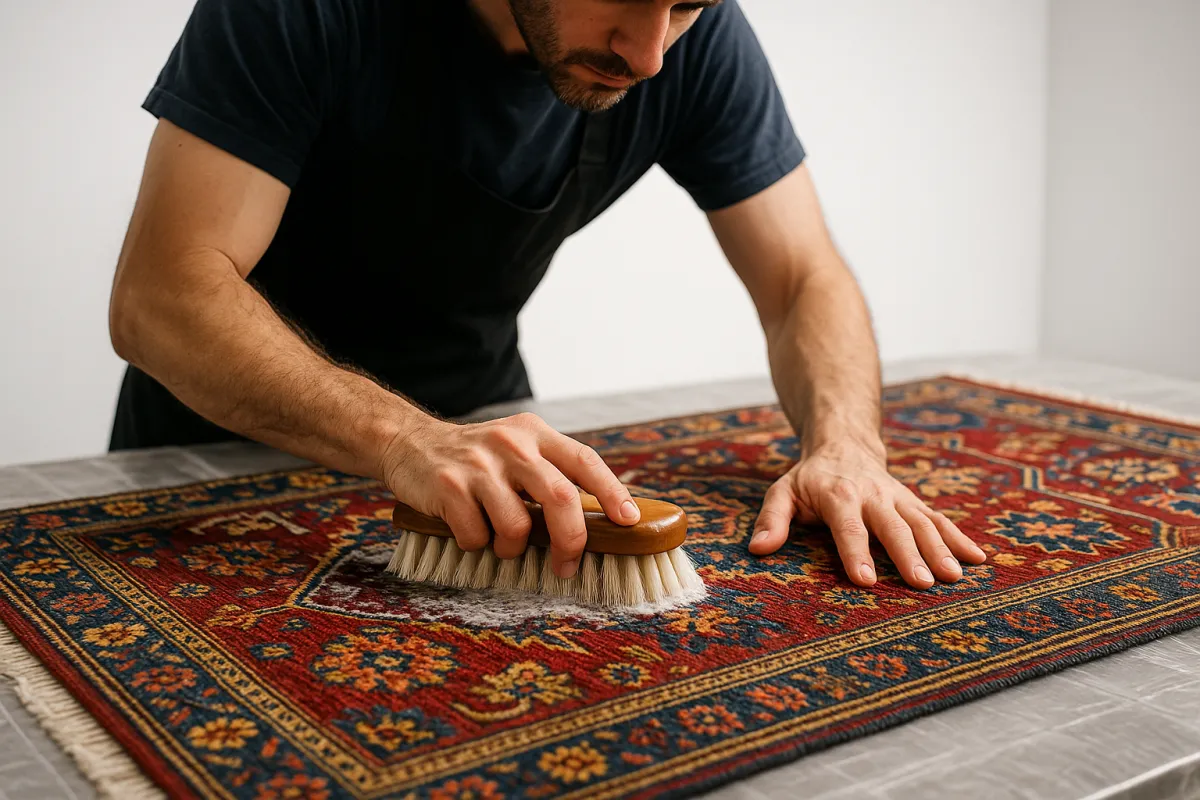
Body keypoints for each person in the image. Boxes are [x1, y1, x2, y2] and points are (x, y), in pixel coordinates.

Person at [107, 0, 987, 591]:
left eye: (686, 7)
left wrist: (845, 445)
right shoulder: (305, 10)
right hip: (213, 464)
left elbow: (803, 278)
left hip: (492, 439)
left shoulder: (695, 42)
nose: (647, 54)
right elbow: (163, 295)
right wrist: (405, 438)